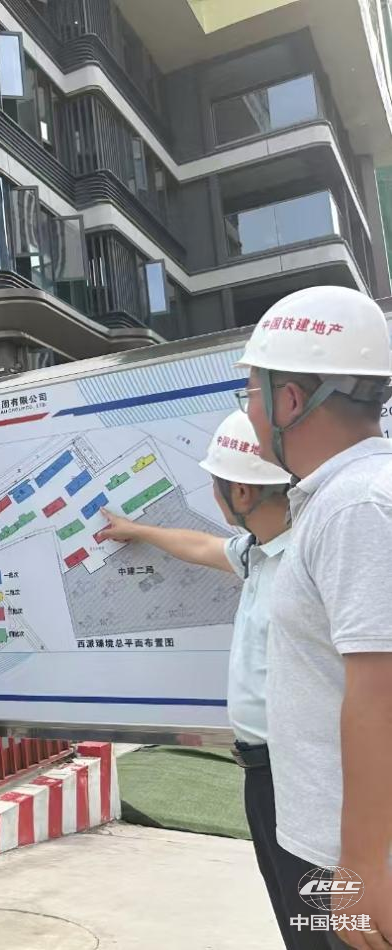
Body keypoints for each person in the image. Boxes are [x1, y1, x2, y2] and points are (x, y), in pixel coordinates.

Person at [95, 411, 313, 947]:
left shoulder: (306, 561)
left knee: (327, 917)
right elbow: (202, 547)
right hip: (264, 773)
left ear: (240, 491)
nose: (212, 495)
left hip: (304, 776)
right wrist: (137, 530)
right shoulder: (259, 552)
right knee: (298, 916)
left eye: (215, 483)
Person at [236, 285, 392, 950]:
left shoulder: (357, 505)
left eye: (251, 391)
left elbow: (379, 691)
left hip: (358, 859)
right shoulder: (340, 500)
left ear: (289, 401)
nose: (247, 410)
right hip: (333, 843)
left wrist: (363, 867)